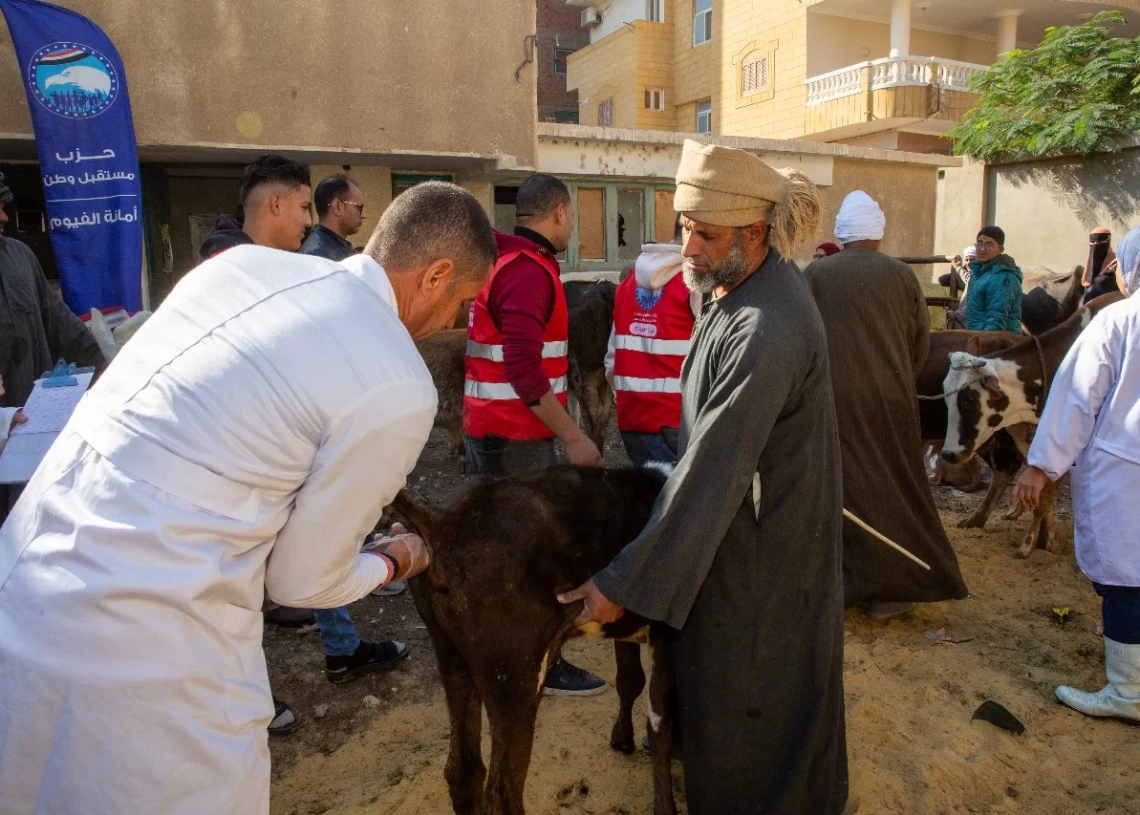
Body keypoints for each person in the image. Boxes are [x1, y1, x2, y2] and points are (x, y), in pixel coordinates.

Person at [0, 181, 494, 815]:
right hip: (145, 653)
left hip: (25, 581)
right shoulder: (396, 379)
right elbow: (302, 582)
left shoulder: (237, 268)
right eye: (461, 302)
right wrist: (400, 559)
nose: (453, 324)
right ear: (437, 274)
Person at [559, 140, 849, 815]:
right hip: (745, 531)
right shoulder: (734, 290)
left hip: (764, 552)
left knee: (749, 689)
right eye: (684, 227)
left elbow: (713, 470)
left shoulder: (763, 324)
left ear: (754, 233)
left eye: (706, 234)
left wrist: (621, 581)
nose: (688, 247)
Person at [464, 173, 607, 696]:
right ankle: (541, 661)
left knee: (502, 551)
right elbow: (526, 373)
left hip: (492, 432)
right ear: (561, 213)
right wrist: (574, 438)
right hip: (517, 439)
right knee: (538, 553)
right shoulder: (527, 273)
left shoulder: (498, 260)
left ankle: (498, 653)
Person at [805, 191, 969, 619]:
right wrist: (895, 380)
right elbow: (920, 343)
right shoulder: (901, 275)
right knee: (895, 487)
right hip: (893, 402)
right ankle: (895, 589)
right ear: (877, 232)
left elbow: (802, 340)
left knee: (839, 490)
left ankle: (842, 586)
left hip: (832, 402)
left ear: (842, 233)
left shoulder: (817, 275)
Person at [1012, 224, 1140, 724]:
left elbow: (1075, 398)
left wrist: (1039, 467)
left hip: (1124, 470)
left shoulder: (1118, 323)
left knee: (1126, 576)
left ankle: (1127, 692)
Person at [0, 172, 106, 524]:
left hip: (30, 436)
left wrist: (107, 378)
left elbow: (61, 324)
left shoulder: (18, 257)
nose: (3, 217)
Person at [605, 214, 700, 466]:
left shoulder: (627, 284)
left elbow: (612, 360)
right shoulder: (696, 285)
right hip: (677, 426)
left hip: (631, 422)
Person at [197, 154, 313, 261]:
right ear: (276, 204)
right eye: (304, 207)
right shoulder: (231, 269)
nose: (309, 221)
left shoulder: (258, 262)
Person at [965, 225, 1022, 333]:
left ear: (1000, 249)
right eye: (979, 243)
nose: (982, 249)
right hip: (976, 339)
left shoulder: (1003, 277)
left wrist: (984, 345)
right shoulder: (977, 273)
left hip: (998, 345)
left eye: (989, 244)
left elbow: (996, 320)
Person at [300, 174, 366, 262]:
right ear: (337, 207)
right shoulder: (317, 254)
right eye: (359, 207)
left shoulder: (329, 248)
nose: (364, 215)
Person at [1082, 226, 1118, 305]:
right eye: (1093, 242)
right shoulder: (1089, 265)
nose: (1095, 245)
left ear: (1108, 241)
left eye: (1100, 242)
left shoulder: (1116, 266)